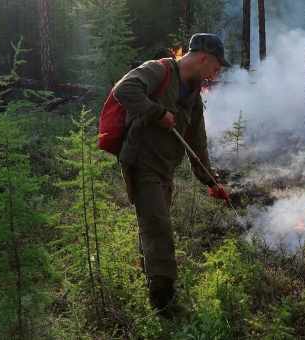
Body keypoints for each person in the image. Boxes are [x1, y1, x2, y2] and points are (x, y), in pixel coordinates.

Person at [113, 33, 231, 316]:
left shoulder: (194, 94)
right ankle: (164, 304)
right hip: (142, 164)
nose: (215, 75)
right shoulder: (159, 70)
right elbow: (124, 89)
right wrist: (157, 112)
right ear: (204, 58)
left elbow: (197, 141)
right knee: (160, 228)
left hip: (165, 169)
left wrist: (210, 180)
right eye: (215, 68)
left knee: (153, 226)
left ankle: (151, 284)